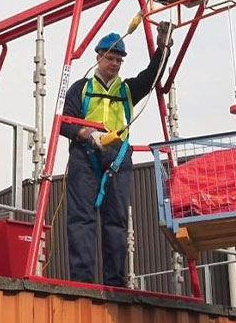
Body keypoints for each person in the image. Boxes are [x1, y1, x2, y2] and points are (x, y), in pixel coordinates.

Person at [60, 23, 174, 286]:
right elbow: (63, 122)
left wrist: (163, 47)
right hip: (85, 155)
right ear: (98, 57)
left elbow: (152, 76)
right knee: (81, 219)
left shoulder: (127, 90)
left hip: (117, 157)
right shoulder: (81, 89)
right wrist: (85, 133)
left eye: (119, 60)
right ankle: (83, 283)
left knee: (116, 222)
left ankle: (115, 284)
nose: (114, 64)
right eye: (110, 58)